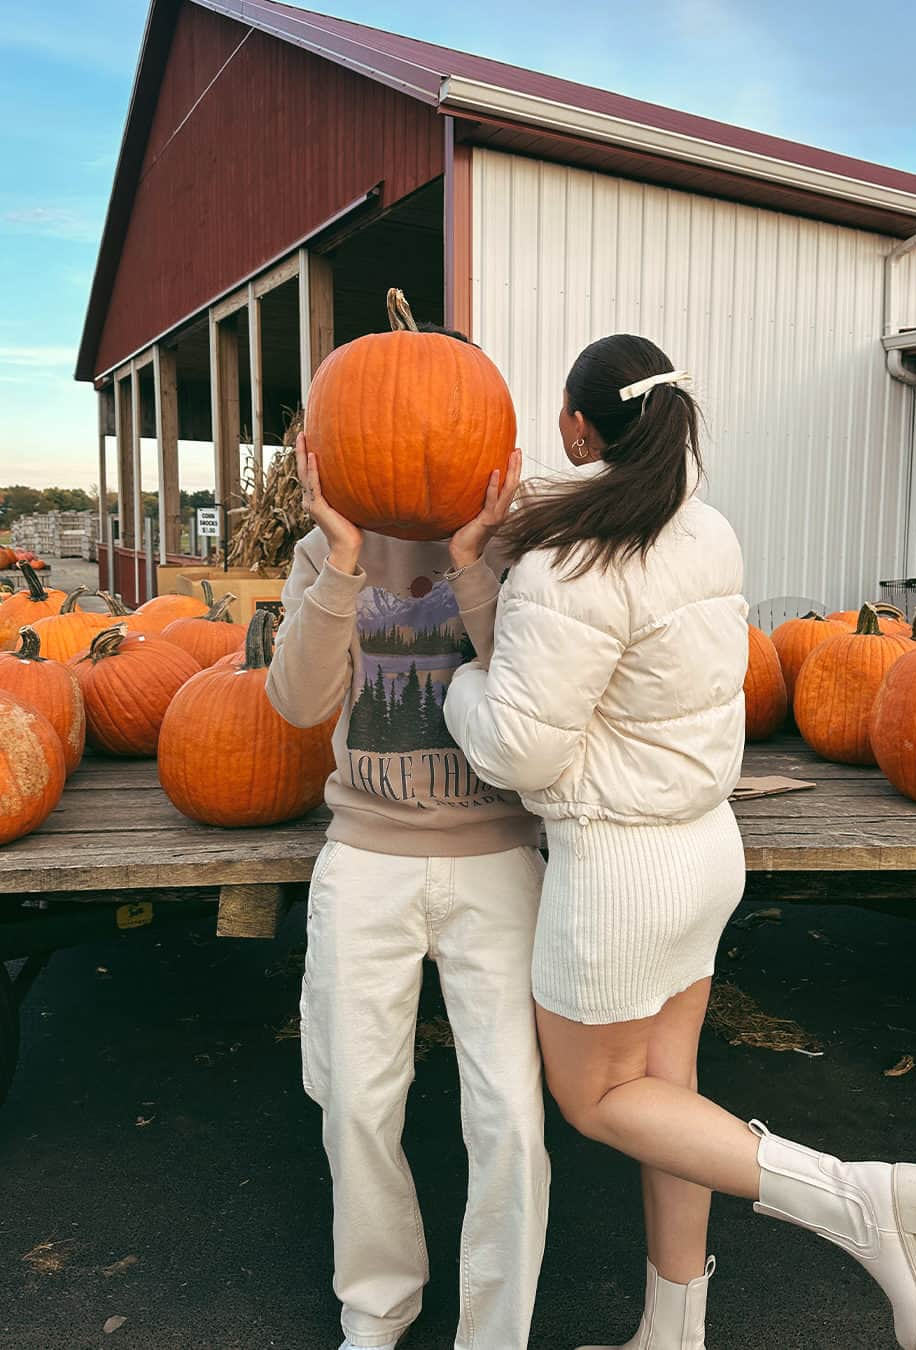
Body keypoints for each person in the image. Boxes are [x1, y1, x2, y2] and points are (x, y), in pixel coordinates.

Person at [442, 333, 916, 1350]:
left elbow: (520, 750)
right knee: (666, 1093)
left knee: (596, 1099)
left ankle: (853, 1201)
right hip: (704, 849)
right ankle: (673, 1332)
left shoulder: (570, 560)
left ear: (577, 425)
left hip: (620, 871)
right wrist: (480, 576)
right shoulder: (703, 530)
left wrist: (455, 681)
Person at [265, 323, 549, 1350]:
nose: (415, 433)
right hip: (369, 856)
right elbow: (298, 706)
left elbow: (526, 692)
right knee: (356, 1102)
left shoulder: (518, 554)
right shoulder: (320, 552)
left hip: (495, 857)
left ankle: (494, 1333)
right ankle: (376, 1312)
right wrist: (340, 560)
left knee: (510, 1117)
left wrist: (476, 560)